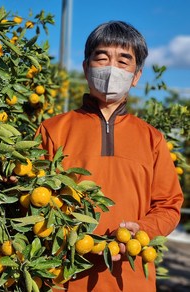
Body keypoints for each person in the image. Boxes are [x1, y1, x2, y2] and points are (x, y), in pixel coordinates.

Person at [36, 21, 184, 292]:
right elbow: (32, 197)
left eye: (123, 61)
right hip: (63, 278)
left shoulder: (151, 138)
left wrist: (143, 229)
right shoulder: (52, 129)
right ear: (85, 67)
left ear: (136, 75)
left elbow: (169, 205)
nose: (111, 67)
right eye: (102, 57)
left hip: (132, 278)